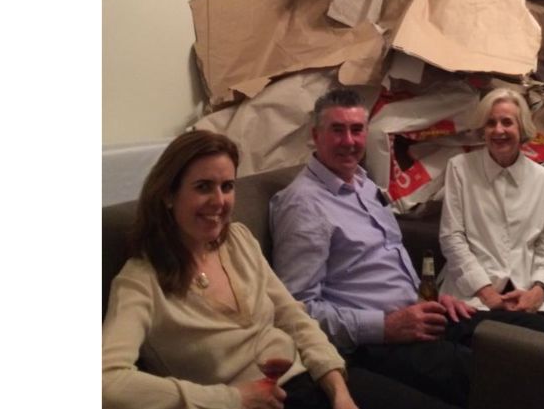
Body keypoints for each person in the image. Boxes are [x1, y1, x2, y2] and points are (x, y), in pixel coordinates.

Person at [269, 87, 544, 408]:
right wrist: (385, 327)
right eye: (337, 130)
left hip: (424, 312)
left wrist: (430, 297)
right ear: (316, 136)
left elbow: (386, 263)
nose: (349, 141)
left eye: (357, 130)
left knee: (542, 333)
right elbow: (297, 312)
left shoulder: (361, 182)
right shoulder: (303, 206)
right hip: (379, 340)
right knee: (497, 376)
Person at [103, 130, 452, 409]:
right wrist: (231, 399)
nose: (219, 201)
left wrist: (338, 390)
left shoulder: (237, 240)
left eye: (227, 186)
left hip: (314, 380)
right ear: (168, 195)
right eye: (203, 187)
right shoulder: (140, 281)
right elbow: (107, 383)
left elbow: (293, 316)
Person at [439, 88, 544, 343]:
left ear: (522, 128)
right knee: (498, 341)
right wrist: (486, 292)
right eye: (491, 123)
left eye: (507, 122)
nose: (498, 130)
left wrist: (537, 292)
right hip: (472, 292)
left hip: (527, 294)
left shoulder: (543, 180)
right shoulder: (460, 169)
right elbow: (452, 239)